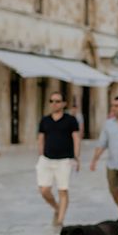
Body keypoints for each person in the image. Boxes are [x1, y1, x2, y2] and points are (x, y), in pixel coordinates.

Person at [36, 92, 80, 227]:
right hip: (46, 159)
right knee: (44, 190)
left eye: (57, 101)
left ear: (63, 103)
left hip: (64, 160)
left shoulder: (71, 120)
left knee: (63, 190)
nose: (54, 103)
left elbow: (76, 139)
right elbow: (41, 138)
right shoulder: (45, 120)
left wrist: (76, 157)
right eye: (51, 101)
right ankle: (56, 207)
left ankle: (60, 220)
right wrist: (41, 154)